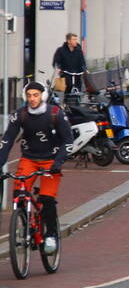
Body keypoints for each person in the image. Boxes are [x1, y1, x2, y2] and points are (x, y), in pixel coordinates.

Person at [0, 82, 74, 255]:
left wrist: (58, 162)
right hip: (29, 159)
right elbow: (7, 140)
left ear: (43, 96)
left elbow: (68, 140)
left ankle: (50, 234)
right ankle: (25, 225)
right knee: (18, 195)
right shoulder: (20, 115)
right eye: (29, 95)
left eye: (36, 95)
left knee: (47, 199)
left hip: (51, 161)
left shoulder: (56, 114)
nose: (32, 99)